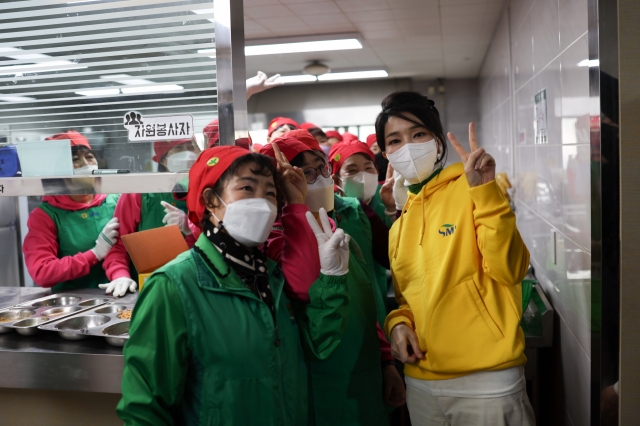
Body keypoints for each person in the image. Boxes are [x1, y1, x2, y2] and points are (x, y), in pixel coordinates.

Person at [117, 146, 351, 425]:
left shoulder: (270, 277)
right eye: (247, 188)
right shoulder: (174, 286)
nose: (262, 203)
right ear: (211, 200)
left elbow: (315, 346)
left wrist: (333, 278)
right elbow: (145, 407)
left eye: (270, 193)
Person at [377, 91, 534, 425]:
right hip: (421, 383)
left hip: (487, 383)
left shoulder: (472, 190)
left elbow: (510, 270)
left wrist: (485, 192)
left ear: (437, 141)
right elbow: (409, 299)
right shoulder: (399, 224)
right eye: (395, 140)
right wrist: (398, 324)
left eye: (418, 134)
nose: (407, 146)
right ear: (386, 152)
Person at [261, 135, 405, 426]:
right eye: (305, 173)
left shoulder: (334, 228)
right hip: (323, 385)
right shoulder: (273, 240)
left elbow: (361, 302)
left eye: (322, 168)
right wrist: (295, 207)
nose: (320, 179)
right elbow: (301, 286)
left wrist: (386, 360)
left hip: (365, 373)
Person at [23, 131, 120, 293]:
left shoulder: (115, 201)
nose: (86, 164)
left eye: (89, 157)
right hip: (71, 303)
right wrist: (94, 254)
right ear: (58, 170)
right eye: (75, 160)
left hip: (119, 295)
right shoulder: (46, 216)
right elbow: (41, 272)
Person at [102, 139, 196, 297]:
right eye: (179, 148)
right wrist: (120, 275)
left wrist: (190, 229)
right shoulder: (137, 195)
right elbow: (117, 247)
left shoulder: (204, 193)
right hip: (148, 290)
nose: (188, 153)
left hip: (193, 286)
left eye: (192, 146)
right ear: (163, 159)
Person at [329, 140, 397, 327]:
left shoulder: (384, 204)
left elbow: (398, 251)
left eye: (369, 168)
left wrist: (392, 211)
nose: (363, 176)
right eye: (352, 170)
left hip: (377, 294)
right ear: (336, 180)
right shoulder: (332, 214)